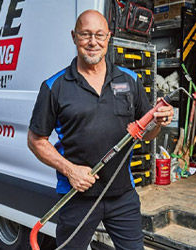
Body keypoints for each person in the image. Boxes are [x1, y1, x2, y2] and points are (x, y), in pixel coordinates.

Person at [28, 9, 174, 250]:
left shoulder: (129, 80)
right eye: (85, 35)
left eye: (99, 35)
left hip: (122, 195)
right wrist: (71, 170)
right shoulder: (55, 86)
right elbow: (36, 140)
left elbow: (147, 133)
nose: (93, 42)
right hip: (76, 196)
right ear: (74, 37)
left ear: (108, 37)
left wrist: (157, 122)